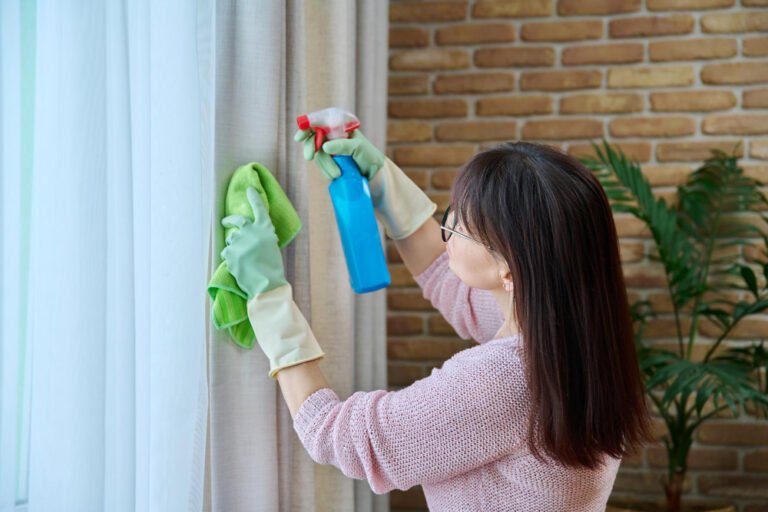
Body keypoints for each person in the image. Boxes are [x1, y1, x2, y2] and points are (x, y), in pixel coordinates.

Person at [219, 127, 653, 511]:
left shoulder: (501, 381)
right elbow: (448, 279)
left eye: (461, 226)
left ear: (510, 270)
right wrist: (380, 179)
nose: (447, 230)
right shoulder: (575, 337)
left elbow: (339, 436)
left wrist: (268, 295)